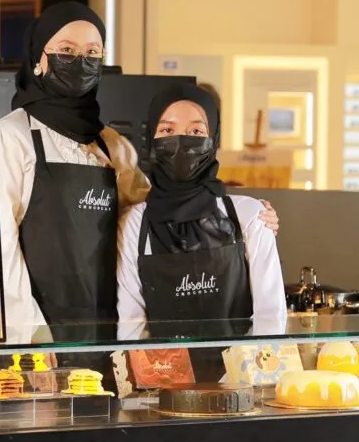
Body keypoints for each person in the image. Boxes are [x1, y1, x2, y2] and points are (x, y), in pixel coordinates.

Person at [0, 4, 278, 335]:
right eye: (66, 51)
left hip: (106, 326)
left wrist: (248, 217)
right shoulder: (10, 137)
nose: (81, 61)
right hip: (39, 332)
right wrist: (32, 334)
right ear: (38, 60)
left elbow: (160, 206)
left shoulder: (111, 145)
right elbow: (0, 249)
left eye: (92, 53)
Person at [116, 80, 286, 339]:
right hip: (160, 365)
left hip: (241, 364)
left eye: (196, 131)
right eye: (167, 129)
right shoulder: (134, 224)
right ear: (151, 138)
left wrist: (245, 365)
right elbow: (131, 327)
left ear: (213, 138)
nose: (181, 141)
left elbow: (270, 317)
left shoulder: (250, 215)